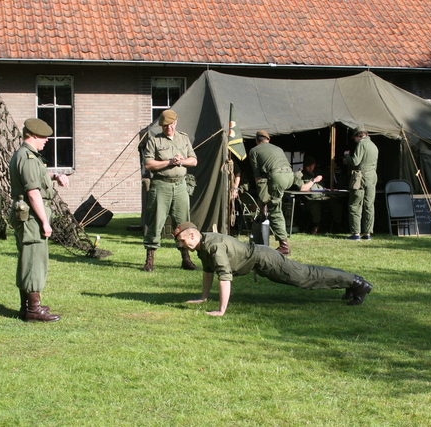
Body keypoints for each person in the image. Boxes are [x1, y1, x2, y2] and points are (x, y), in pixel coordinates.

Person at [174, 222, 373, 316]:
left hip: (265, 259)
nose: (182, 245)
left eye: (182, 241)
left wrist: (221, 310)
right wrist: (203, 297)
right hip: (261, 260)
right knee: (306, 273)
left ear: (193, 235)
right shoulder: (202, 244)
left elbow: (224, 277)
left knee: (305, 276)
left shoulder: (212, 246)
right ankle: (352, 282)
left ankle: (357, 283)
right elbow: (208, 271)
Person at [9, 118, 69, 322]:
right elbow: (33, 192)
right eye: (44, 137)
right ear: (33, 136)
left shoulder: (29, 156)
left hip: (29, 214)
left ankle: (27, 306)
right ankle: (33, 310)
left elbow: (40, 175)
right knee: (34, 261)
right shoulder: (27, 157)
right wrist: (45, 222)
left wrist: (55, 176)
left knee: (29, 260)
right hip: (32, 216)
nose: (46, 141)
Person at [141, 109, 199, 272]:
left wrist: (181, 162)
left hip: (180, 186)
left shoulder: (184, 138)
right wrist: (169, 162)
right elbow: (148, 164)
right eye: (165, 126)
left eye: (171, 125)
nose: (169, 128)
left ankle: (186, 259)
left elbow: (193, 160)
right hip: (161, 185)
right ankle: (150, 260)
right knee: (156, 222)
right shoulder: (154, 141)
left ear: (176, 122)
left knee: (183, 223)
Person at [248, 130, 294, 254]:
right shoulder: (278, 148)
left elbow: (258, 177)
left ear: (257, 140)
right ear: (268, 140)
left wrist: (263, 199)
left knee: (274, 210)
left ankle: (284, 245)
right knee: (276, 205)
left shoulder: (254, 151)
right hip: (289, 176)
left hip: (276, 176)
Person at [344, 126, 378, 241]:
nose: (354, 140)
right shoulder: (374, 146)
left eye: (355, 138)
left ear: (359, 136)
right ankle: (367, 233)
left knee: (355, 204)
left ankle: (356, 233)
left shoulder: (361, 144)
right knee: (369, 205)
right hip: (372, 177)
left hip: (361, 178)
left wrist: (347, 156)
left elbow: (355, 161)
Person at [293, 156, 343, 234]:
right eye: (308, 166)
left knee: (335, 204)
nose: (310, 167)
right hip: (311, 199)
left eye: (312, 165)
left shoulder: (318, 172)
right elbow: (302, 188)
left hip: (323, 196)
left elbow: (329, 178)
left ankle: (338, 225)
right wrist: (314, 180)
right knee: (315, 206)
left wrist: (331, 170)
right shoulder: (300, 175)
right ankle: (316, 225)